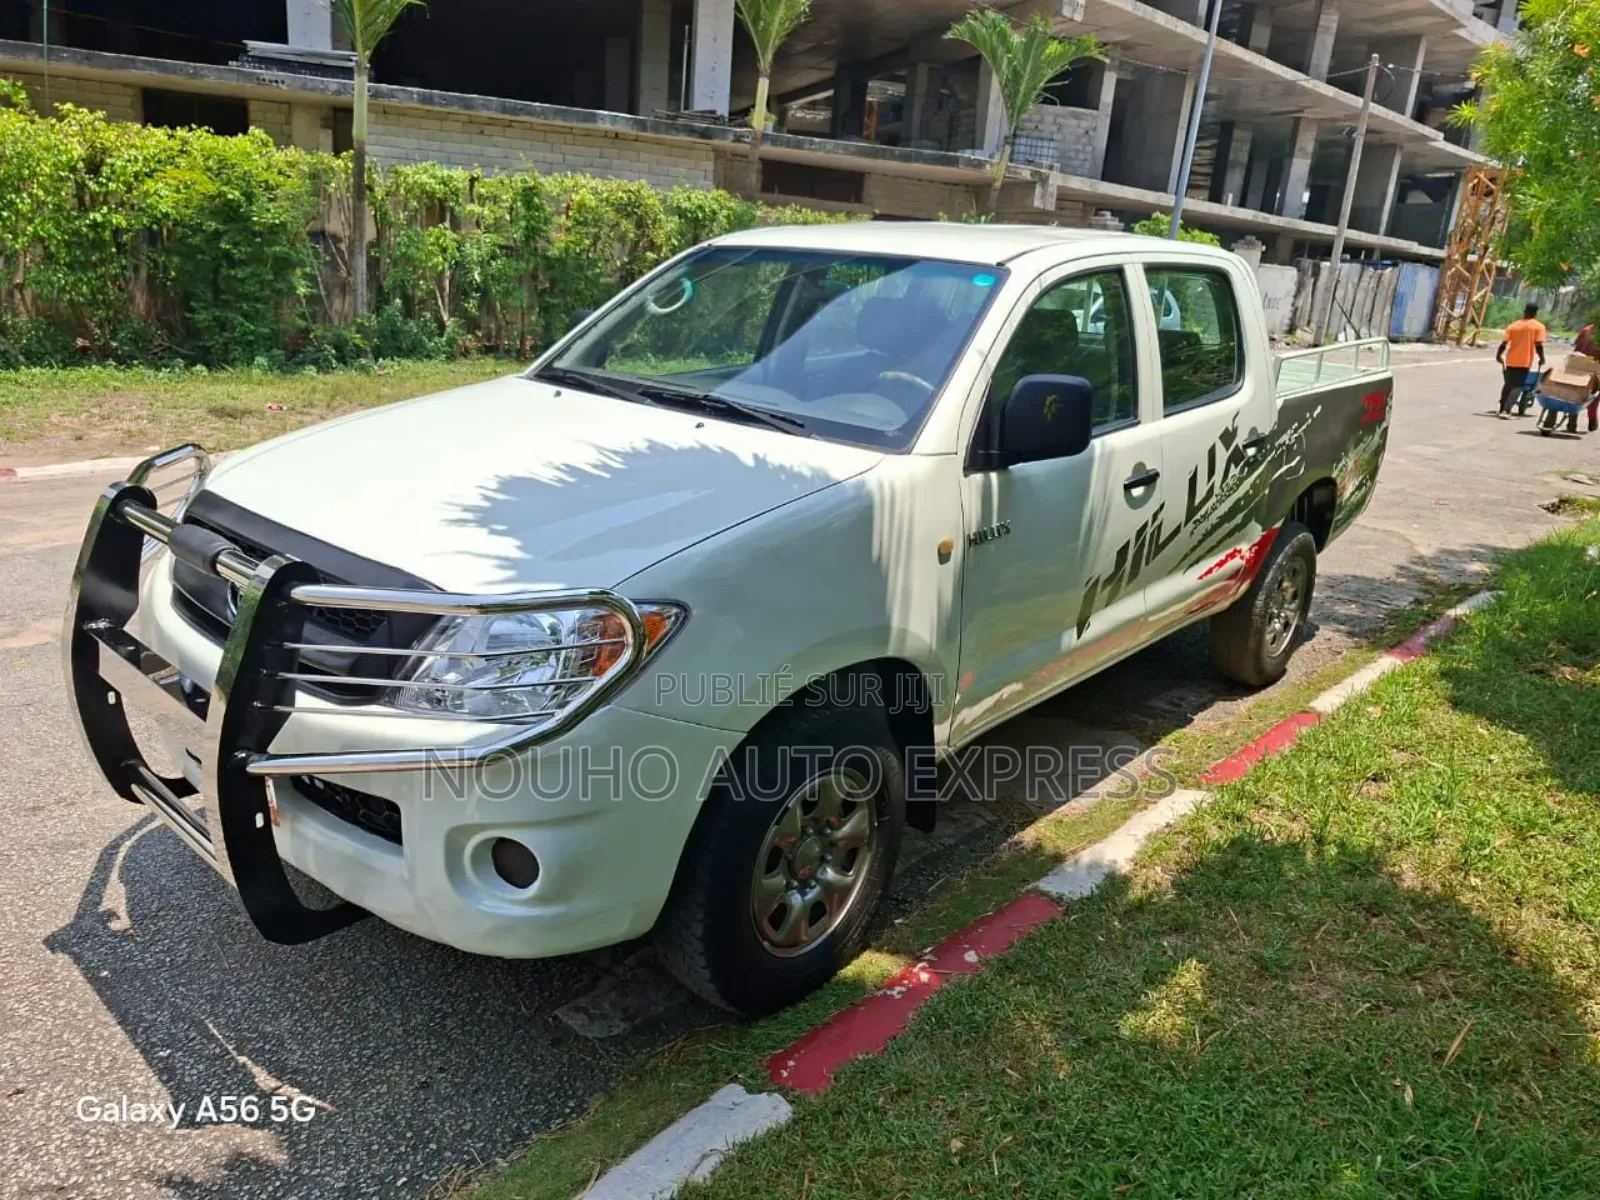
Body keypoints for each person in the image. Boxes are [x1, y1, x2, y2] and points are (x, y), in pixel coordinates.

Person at [1496, 303, 1547, 418]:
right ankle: (1506, 410)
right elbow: (1538, 345)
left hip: (1511, 360)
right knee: (1518, 386)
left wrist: (1498, 355)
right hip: (1524, 361)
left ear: (1525, 311)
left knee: (1508, 385)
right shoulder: (1538, 326)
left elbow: (1504, 342)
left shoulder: (1514, 325)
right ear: (1535, 313)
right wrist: (1542, 358)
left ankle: (1501, 409)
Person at [1576, 314, 1600, 432]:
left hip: (1581, 365)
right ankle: (1592, 420)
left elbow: (1577, 349)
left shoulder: (1586, 330)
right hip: (1596, 367)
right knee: (1594, 396)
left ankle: (1572, 421)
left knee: (1576, 392)